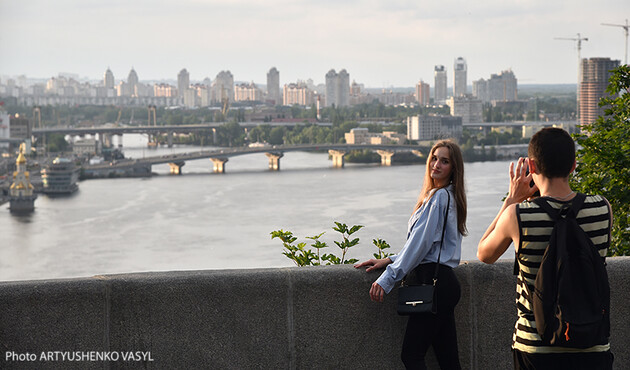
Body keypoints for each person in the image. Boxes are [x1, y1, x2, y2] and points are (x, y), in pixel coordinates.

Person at [477, 127, 613, 370]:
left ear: (532, 166)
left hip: (536, 349)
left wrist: (511, 200)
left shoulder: (517, 216)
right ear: (573, 166)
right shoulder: (603, 209)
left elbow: (484, 254)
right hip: (593, 345)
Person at [355, 139, 467, 370]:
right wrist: (389, 259)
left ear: (453, 168)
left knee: (412, 355)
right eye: (434, 158)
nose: (436, 164)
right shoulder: (448, 196)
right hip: (444, 284)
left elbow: (419, 246)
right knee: (448, 360)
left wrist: (388, 277)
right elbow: (424, 246)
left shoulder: (438, 199)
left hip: (434, 284)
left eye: (444, 161)